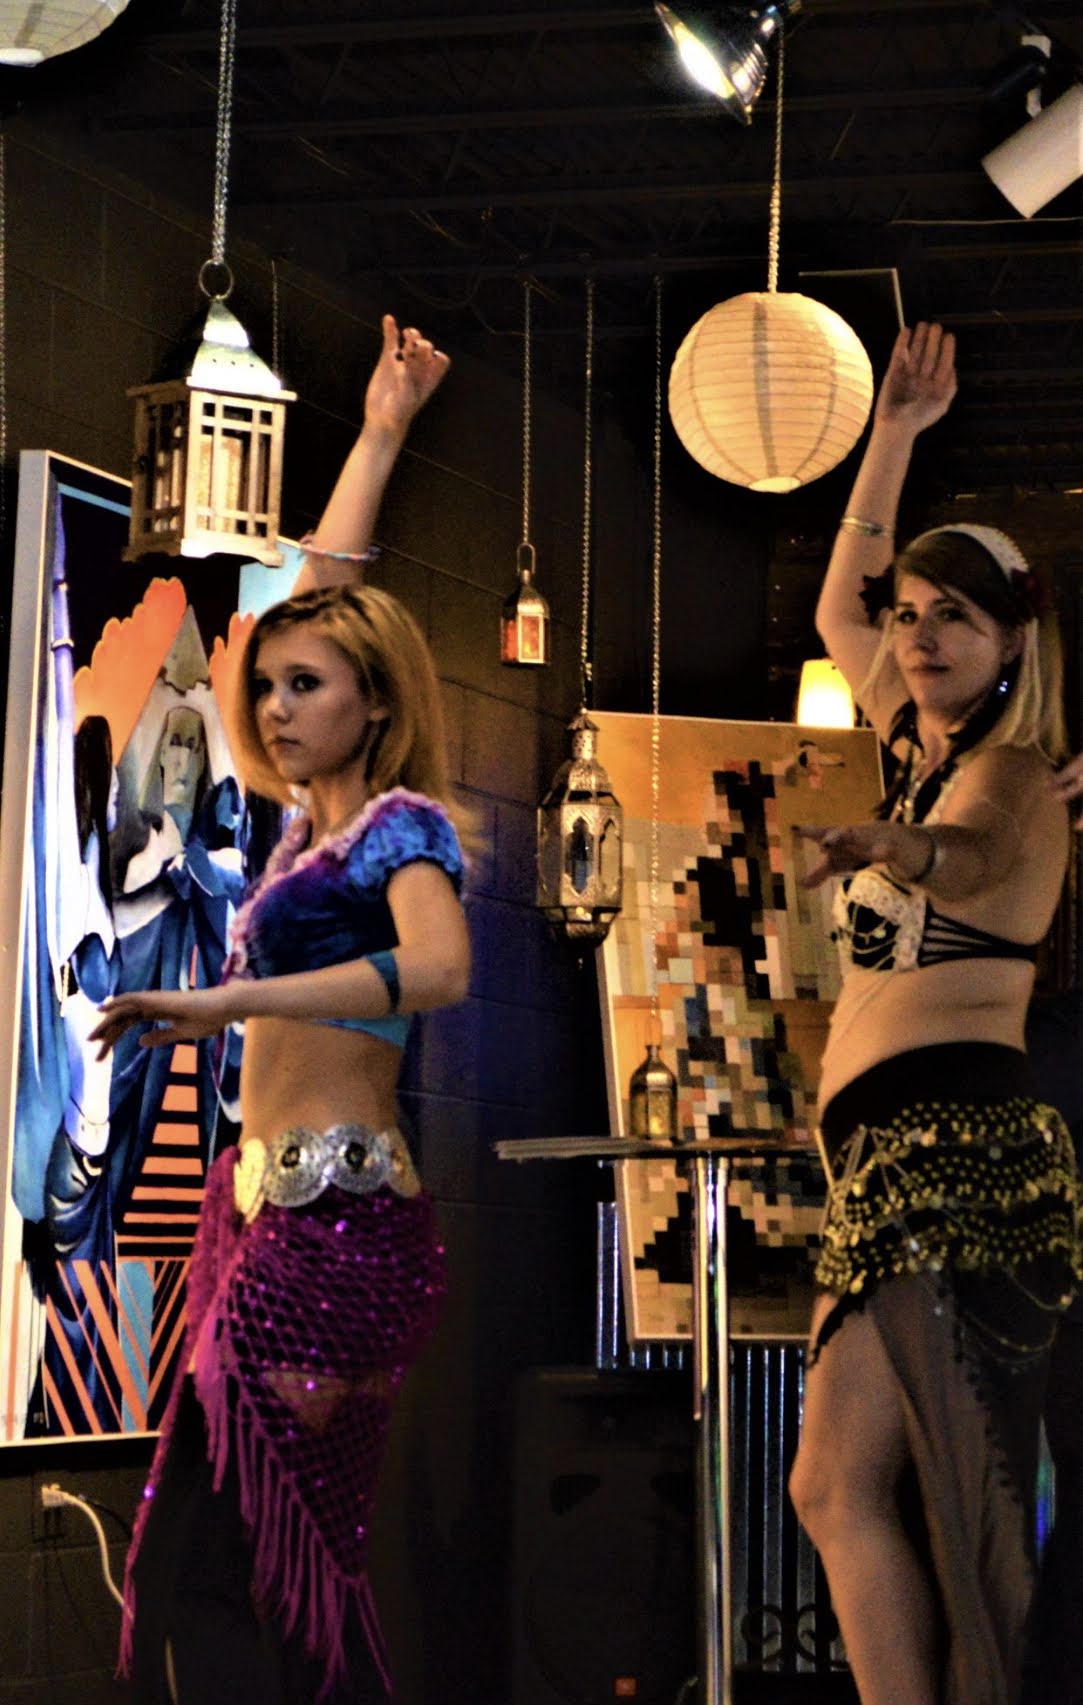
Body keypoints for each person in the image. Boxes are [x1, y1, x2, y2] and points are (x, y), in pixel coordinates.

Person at [90, 316, 462, 1704]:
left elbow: (439, 969)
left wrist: (234, 995)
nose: (279, 703)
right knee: (221, 1560)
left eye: (309, 687)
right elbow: (322, 593)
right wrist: (379, 433)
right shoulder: (309, 831)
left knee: (252, 1562)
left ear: (374, 704)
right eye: (271, 687)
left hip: (339, 1228)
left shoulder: (404, 831)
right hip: (268, 1219)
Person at [786, 322, 1081, 1705]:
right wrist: (893, 435)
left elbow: (962, 863)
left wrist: (882, 845)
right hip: (888, 1164)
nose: (914, 639)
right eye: (909, 616)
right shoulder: (917, 746)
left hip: (960, 1158)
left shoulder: (1014, 774)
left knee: (956, 1499)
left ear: (1015, 638)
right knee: (834, 1483)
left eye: (950, 617)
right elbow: (837, 612)